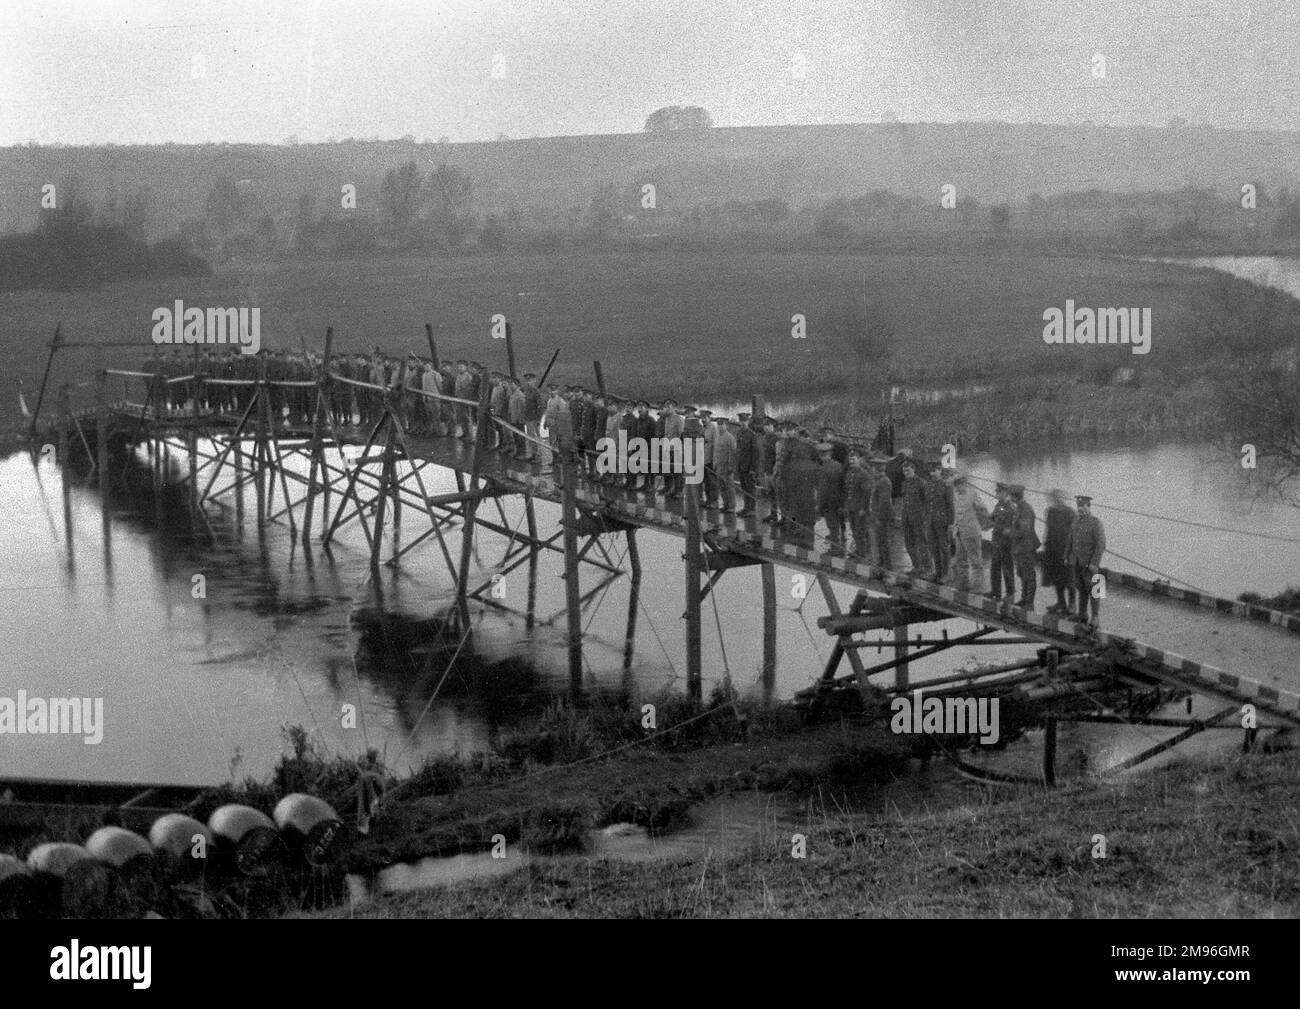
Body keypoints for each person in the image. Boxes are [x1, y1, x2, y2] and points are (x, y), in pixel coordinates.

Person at [1066, 495, 1106, 628]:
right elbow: (1070, 540)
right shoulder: (1076, 521)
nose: (1080, 509)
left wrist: (1094, 563)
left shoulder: (1096, 523)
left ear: (1089, 507)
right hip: (1077, 562)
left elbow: (1101, 545)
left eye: (1082, 507)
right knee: (1081, 588)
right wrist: (1066, 556)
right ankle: (1082, 614)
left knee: (1095, 590)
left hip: (1090, 564)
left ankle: (1095, 617)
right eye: (1078, 507)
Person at [950, 471, 990, 593]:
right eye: (955, 485)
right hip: (959, 532)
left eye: (958, 484)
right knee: (960, 559)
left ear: (964, 483)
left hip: (971, 532)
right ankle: (963, 583)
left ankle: (978, 587)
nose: (956, 487)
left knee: (975, 560)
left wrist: (985, 526)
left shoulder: (972, 494)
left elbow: (983, 510)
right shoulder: (955, 494)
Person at [1043, 489, 1077, 614]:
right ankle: (1061, 602)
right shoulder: (1050, 512)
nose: (1055, 500)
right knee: (1056, 578)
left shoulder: (1070, 513)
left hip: (1066, 550)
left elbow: (1074, 534)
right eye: (1053, 498)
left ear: (1062, 498)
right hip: (1053, 549)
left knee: (1069, 579)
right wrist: (1046, 546)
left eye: (1057, 498)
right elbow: (1048, 530)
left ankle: (1072, 605)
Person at [1009, 483, 1040, 609]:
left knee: (1029, 576)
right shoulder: (1019, 508)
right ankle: (1024, 598)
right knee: (1022, 574)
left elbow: (1024, 531)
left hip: (1026, 548)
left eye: (1011, 495)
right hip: (1020, 548)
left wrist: (1009, 533)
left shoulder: (1025, 510)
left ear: (1015, 496)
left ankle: (1029, 602)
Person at [926, 459, 955, 583]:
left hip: (942, 522)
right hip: (931, 521)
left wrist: (950, 524)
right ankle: (937, 573)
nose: (932, 474)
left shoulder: (946, 486)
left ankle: (946, 574)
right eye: (931, 471)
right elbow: (927, 504)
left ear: (940, 471)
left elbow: (950, 505)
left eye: (934, 471)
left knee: (944, 548)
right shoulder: (928, 485)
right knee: (933, 547)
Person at [900, 459, 931, 577]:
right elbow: (905, 500)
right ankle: (917, 567)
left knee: (922, 544)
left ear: (914, 469)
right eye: (904, 471)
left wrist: (925, 518)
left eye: (908, 470)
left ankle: (927, 569)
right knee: (909, 543)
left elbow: (927, 503)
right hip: (907, 518)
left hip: (918, 519)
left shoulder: (921, 483)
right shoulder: (905, 483)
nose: (905, 473)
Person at [815, 442, 845, 553]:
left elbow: (823, 491)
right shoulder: (838, 465)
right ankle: (839, 545)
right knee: (837, 525)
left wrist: (819, 506)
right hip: (838, 500)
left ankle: (835, 548)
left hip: (828, 502)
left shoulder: (823, 469)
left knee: (832, 526)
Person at [987, 482, 1016, 600]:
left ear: (1004, 493)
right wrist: (988, 519)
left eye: (998, 492)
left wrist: (995, 525)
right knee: (994, 567)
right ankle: (995, 592)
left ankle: (1010, 593)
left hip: (1006, 543)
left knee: (1007, 569)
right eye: (996, 492)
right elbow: (992, 517)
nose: (996, 494)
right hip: (997, 542)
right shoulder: (998, 505)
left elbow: (1009, 529)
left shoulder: (1011, 508)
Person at [843, 449, 872, 559]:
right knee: (854, 529)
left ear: (859, 460)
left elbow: (867, 493)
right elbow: (848, 490)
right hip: (851, 506)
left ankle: (863, 553)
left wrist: (864, 508)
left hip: (860, 508)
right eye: (850, 459)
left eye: (853, 459)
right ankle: (859, 550)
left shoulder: (863, 475)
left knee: (860, 531)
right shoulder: (850, 473)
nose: (851, 462)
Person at [868, 456, 895, 568]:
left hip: (881, 518)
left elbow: (884, 502)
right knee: (879, 542)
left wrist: (879, 518)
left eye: (874, 467)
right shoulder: (878, 480)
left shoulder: (884, 481)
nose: (872, 470)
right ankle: (881, 564)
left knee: (883, 542)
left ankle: (886, 566)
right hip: (876, 516)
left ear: (878, 469)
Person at [713, 418, 738, 512]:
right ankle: (725, 504)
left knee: (729, 487)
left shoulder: (730, 437)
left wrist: (731, 466)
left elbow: (733, 453)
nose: (720, 427)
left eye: (722, 425)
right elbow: (716, 451)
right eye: (718, 425)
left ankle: (732, 506)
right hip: (719, 466)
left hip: (727, 466)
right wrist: (715, 463)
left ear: (726, 426)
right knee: (721, 487)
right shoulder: (718, 436)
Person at [735, 412, 756, 515]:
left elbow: (755, 452)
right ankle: (746, 507)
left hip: (748, 466)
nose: (743, 423)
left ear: (748, 421)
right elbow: (738, 450)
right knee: (744, 488)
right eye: (741, 421)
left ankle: (752, 509)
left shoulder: (752, 434)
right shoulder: (739, 433)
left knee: (750, 488)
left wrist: (752, 468)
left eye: (745, 421)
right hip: (741, 465)